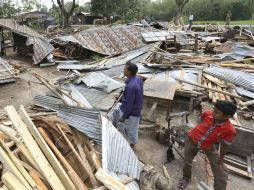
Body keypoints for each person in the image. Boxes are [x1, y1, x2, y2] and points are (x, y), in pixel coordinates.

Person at [178, 100, 237, 190]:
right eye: (214, 109)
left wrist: (221, 160)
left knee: (221, 172)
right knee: (187, 160)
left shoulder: (230, 130)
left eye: (216, 112)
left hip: (209, 145)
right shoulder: (208, 114)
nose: (213, 112)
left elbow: (224, 146)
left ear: (227, 116)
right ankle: (186, 178)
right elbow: (202, 122)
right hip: (192, 139)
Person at [109, 62, 144, 149]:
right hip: (135, 108)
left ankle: (130, 145)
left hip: (131, 112)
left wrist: (124, 117)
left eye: (125, 69)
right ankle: (114, 128)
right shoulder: (138, 79)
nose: (123, 70)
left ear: (129, 72)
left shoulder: (131, 86)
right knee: (114, 113)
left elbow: (129, 104)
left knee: (130, 129)